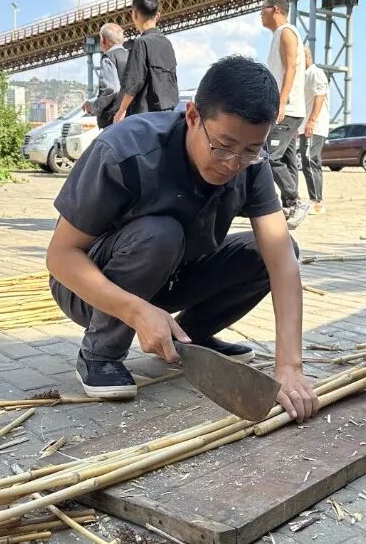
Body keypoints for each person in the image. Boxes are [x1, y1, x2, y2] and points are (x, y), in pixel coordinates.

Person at [46, 55, 320, 423]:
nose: (232, 162)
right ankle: (100, 353)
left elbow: (282, 262)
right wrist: (135, 310)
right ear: (192, 116)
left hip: (174, 273)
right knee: (161, 234)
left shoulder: (251, 165)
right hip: (92, 289)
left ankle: (189, 339)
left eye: (251, 149)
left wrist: (289, 366)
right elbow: (61, 257)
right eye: (222, 145)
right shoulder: (125, 151)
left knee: (265, 253)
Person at [260, 0, 310, 229]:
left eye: (263, 9)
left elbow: (290, 68)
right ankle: (290, 206)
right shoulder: (279, 35)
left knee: (270, 157)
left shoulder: (287, 32)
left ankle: (297, 201)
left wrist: (280, 103)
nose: (260, 14)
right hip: (289, 108)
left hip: (286, 109)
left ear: (275, 9)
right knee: (289, 160)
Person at [114, 0, 178, 123]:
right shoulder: (167, 43)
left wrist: (121, 110)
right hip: (169, 114)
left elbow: (134, 82)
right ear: (158, 16)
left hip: (146, 118)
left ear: (135, 14)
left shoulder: (141, 43)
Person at [298, 49, 330, 215]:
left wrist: (311, 121)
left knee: (310, 159)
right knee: (306, 160)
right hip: (305, 127)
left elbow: (320, 96)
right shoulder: (303, 76)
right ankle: (314, 199)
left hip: (315, 126)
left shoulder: (316, 73)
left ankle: (316, 201)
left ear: (307, 57)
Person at [83, 23, 128, 129]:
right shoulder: (131, 55)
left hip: (113, 120)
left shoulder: (108, 58)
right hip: (129, 117)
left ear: (103, 39)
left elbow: (111, 89)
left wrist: (94, 107)